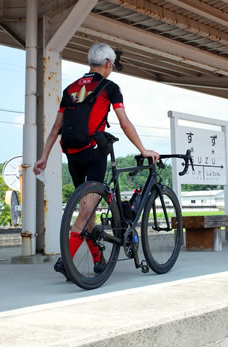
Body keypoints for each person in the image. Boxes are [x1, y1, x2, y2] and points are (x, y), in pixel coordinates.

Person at [33, 43, 159, 279]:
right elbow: (124, 122)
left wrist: (43, 157)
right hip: (93, 154)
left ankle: (98, 259)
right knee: (88, 210)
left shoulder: (71, 88)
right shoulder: (110, 87)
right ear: (108, 63)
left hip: (72, 154)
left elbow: (55, 129)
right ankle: (66, 260)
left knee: (86, 210)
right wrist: (142, 149)